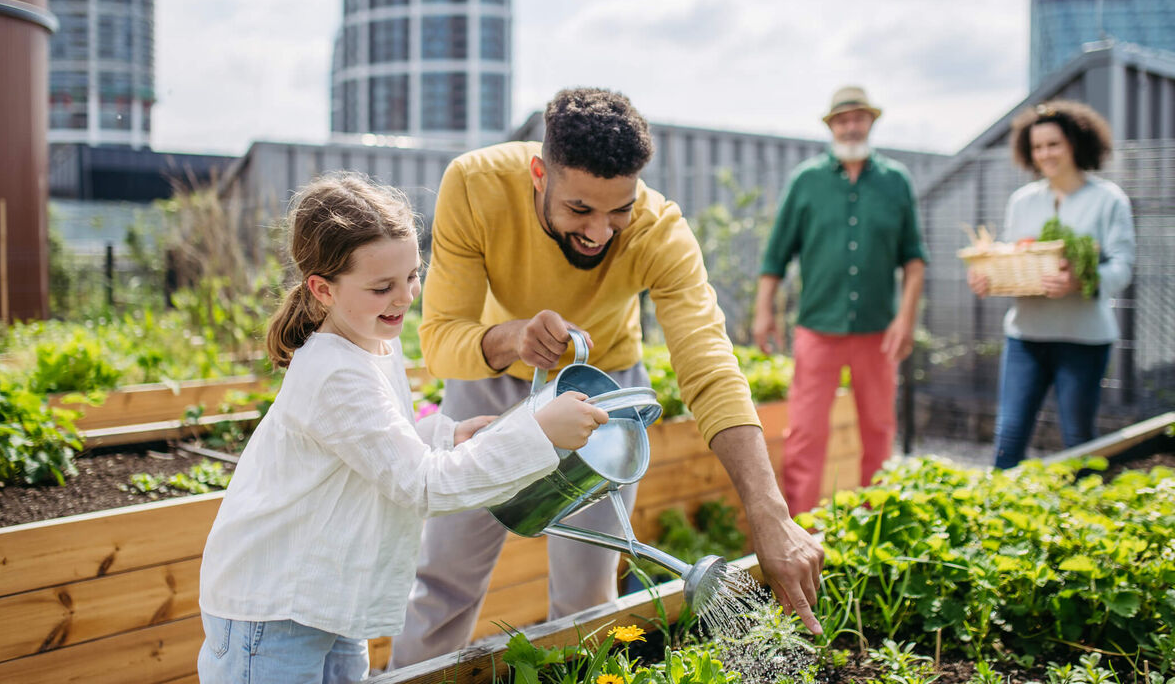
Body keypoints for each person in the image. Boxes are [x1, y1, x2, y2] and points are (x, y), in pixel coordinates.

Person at [389, 88, 824, 669]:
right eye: (580, 210)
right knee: (444, 580)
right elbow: (441, 341)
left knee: (587, 603)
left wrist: (770, 516)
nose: (600, 232)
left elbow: (710, 367)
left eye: (618, 210)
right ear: (539, 175)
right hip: (489, 390)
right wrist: (513, 337)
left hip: (601, 399)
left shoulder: (658, 230)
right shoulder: (476, 183)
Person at [196, 173, 610, 684]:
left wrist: (447, 436)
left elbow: (382, 444)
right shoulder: (333, 371)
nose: (404, 297)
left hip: (328, 598)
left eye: (412, 276)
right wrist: (540, 434)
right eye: (382, 287)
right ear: (322, 290)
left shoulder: (374, 340)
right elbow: (422, 485)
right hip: (273, 612)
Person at [751, 86, 928, 517]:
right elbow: (775, 256)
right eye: (843, 119)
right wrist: (763, 312)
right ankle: (800, 530)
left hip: (877, 332)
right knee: (807, 434)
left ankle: (876, 523)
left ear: (871, 122)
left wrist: (905, 319)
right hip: (817, 329)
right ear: (831, 126)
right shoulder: (806, 181)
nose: (851, 126)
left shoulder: (895, 182)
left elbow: (915, 260)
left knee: (879, 430)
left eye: (859, 118)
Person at [968, 100, 1135, 469]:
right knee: (1008, 439)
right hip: (1026, 336)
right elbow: (1016, 263)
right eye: (1038, 147)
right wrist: (989, 277)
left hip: (1084, 340)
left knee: (1077, 440)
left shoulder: (1108, 200)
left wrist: (1081, 281)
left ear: (1075, 143)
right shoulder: (1023, 202)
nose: (1045, 153)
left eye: (1054, 144)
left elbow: (1123, 268)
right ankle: (1000, 519)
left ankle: (1085, 519)